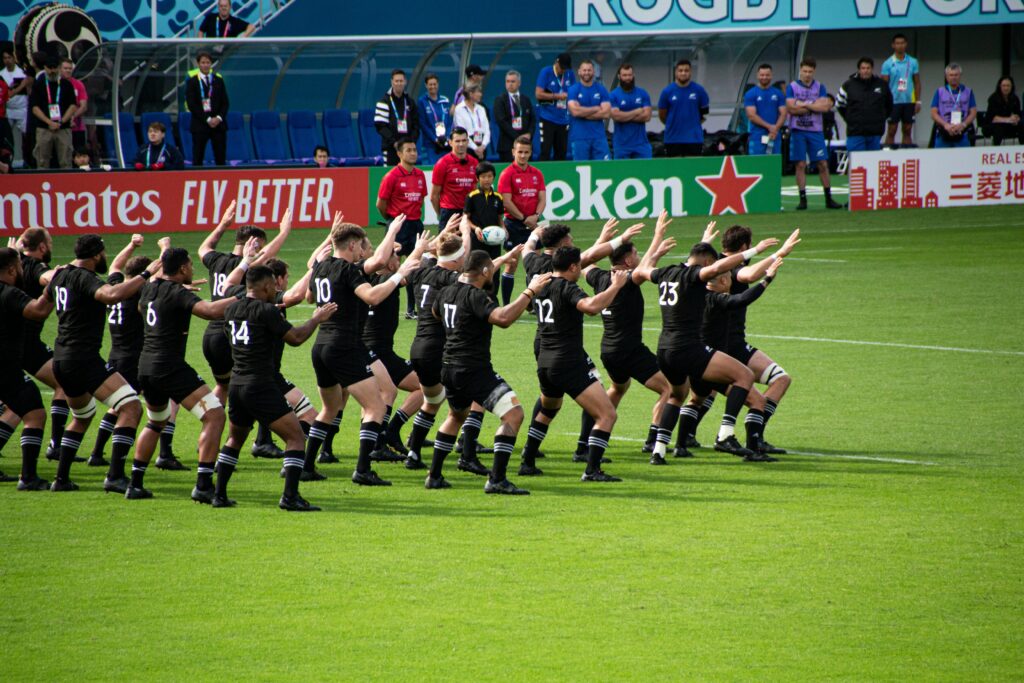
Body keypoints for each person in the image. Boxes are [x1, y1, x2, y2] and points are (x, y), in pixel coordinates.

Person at [632, 219, 778, 462]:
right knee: (744, 376)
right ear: (709, 263)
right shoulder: (695, 276)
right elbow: (716, 268)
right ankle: (725, 434)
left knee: (677, 396)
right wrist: (754, 252)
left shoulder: (666, 272)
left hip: (664, 348)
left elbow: (641, 270)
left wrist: (656, 245)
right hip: (688, 348)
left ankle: (658, 451)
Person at [305, 223, 421, 487]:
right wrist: (398, 274)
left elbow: (310, 297)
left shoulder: (320, 267)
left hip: (321, 345)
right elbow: (371, 297)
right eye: (361, 246)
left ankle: (306, 466)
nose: (362, 253)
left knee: (329, 408)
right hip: (344, 346)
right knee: (376, 406)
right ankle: (363, 469)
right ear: (353, 244)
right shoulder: (348, 270)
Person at [426, 250, 552, 493]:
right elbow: (503, 319)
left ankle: (434, 476)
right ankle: (497, 479)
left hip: (448, 367)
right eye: (491, 269)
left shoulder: (445, 292)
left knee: (456, 416)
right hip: (472, 369)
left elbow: (434, 313)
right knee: (514, 414)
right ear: (484, 271)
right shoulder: (476, 295)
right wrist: (530, 292)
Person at [47, 234, 164, 492]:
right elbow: (110, 294)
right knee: (131, 407)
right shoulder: (86, 279)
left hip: (61, 358)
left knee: (82, 415)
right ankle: (114, 475)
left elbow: (43, 299)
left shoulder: (61, 275)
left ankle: (61, 479)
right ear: (97, 254)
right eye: (104, 252)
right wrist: (145, 275)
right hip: (84, 360)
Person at [126, 244, 241, 501]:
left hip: (145, 365)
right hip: (169, 366)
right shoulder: (177, 292)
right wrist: (245, 297)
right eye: (190, 265)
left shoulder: (149, 288)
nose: (192, 268)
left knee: (156, 421)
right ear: (181, 268)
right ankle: (203, 484)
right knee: (214, 415)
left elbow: (142, 310)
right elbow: (210, 311)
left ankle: (135, 483)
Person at [216, 267, 335, 511]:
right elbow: (296, 338)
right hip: (260, 384)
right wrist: (316, 319)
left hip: (237, 384)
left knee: (235, 439)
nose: (276, 290)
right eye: (273, 286)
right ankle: (290, 497)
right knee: (295, 437)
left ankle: (218, 494)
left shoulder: (230, 309)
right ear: (265, 287)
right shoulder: (267, 311)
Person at [516, 246, 628, 482]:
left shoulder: (540, 283)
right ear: (574, 267)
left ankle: (527, 460)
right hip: (567, 361)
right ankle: (592, 470)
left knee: (548, 410)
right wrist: (615, 286)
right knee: (607, 414)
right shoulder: (567, 287)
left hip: (544, 360)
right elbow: (591, 307)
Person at [197, 201, 289, 459]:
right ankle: (262, 440)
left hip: (211, 335)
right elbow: (267, 255)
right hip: (235, 332)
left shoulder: (217, 260)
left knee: (223, 386)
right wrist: (283, 233)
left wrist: (223, 224)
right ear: (254, 243)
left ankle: (210, 434)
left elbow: (204, 247)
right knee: (259, 378)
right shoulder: (250, 270)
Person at [583, 226, 674, 465]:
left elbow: (588, 261)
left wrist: (603, 237)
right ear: (626, 259)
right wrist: (657, 236)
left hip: (608, 350)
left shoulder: (599, 277)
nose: (637, 256)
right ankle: (653, 439)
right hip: (630, 350)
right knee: (669, 389)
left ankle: (590, 438)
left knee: (619, 388)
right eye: (635, 253)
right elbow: (643, 269)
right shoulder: (627, 279)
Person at [87, 236, 168, 470]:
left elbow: (114, 266)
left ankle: (96, 452)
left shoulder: (115, 288)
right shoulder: (137, 294)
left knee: (118, 406)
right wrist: (164, 249)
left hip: (116, 354)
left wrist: (131, 246)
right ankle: (113, 458)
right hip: (134, 359)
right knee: (131, 408)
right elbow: (159, 277)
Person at [403, 222, 472, 470]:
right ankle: (466, 454)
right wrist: (465, 230)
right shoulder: (452, 278)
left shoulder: (422, 271)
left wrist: (428, 246)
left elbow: (419, 261)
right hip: (439, 349)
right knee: (474, 400)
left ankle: (413, 452)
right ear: (455, 260)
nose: (465, 258)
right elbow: (474, 274)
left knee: (432, 402)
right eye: (462, 255)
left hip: (418, 347)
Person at [0, 247, 55, 490]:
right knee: (34, 412)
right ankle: (28, 477)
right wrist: (54, 288)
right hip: (4, 366)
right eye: (20, 267)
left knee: (16, 407)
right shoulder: (9, 293)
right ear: (12, 269)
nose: (23, 271)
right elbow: (38, 311)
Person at [16, 228, 69, 460]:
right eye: (50, 242)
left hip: (18, 342)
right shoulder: (38, 267)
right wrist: (59, 275)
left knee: (15, 399)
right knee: (64, 383)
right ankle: (56, 445)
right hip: (24, 343)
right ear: (43, 247)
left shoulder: (14, 262)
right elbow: (46, 278)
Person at [376, 137, 427, 318]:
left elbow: (421, 199)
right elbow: (380, 204)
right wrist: (392, 221)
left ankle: (411, 309)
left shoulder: (420, 175)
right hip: (398, 226)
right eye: (409, 150)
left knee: (415, 266)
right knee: (390, 266)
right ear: (399, 154)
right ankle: (384, 303)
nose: (413, 153)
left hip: (416, 224)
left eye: (414, 149)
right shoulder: (391, 176)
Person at [786, 57, 842, 210]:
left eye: (810, 71)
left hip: (815, 131)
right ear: (800, 71)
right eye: (805, 71)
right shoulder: (792, 87)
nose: (807, 74)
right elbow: (791, 108)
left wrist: (802, 104)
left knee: (823, 163)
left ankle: (828, 198)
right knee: (800, 164)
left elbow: (824, 107)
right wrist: (813, 105)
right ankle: (802, 199)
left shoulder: (820, 87)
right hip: (798, 130)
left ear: (814, 71)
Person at [497, 135, 545, 305]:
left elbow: (542, 199)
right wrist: (525, 218)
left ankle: (531, 304)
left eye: (526, 152)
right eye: (520, 152)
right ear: (513, 152)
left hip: (533, 224)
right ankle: (506, 303)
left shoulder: (537, 174)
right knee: (511, 264)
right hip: (513, 224)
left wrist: (536, 216)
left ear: (531, 153)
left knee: (535, 265)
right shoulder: (507, 174)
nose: (523, 155)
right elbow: (506, 202)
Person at [29, 54, 76, 169]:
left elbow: (73, 106)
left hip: (63, 127)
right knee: (42, 161)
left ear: (59, 68)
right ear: (44, 68)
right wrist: (49, 122)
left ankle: (67, 185)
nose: (52, 71)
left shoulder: (66, 84)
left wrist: (61, 122)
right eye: (49, 68)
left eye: (54, 67)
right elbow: (35, 108)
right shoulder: (39, 84)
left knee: (66, 160)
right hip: (44, 127)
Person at [837, 57, 893, 152]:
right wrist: (851, 119)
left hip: (875, 133)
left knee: (873, 164)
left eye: (868, 68)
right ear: (859, 69)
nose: (866, 71)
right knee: (856, 165)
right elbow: (840, 104)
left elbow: (889, 105)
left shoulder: (882, 84)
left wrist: (880, 119)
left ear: (872, 69)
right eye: (863, 68)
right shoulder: (848, 85)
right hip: (855, 133)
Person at [185, 52, 229, 166]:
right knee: (198, 156)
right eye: (203, 62)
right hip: (200, 124)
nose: (205, 65)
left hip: (218, 125)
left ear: (211, 64)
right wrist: (208, 119)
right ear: (198, 64)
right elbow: (192, 105)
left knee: (220, 157)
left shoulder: (218, 80)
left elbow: (225, 102)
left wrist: (218, 118)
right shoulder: (192, 82)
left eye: (208, 62)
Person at [658, 59, 709, 157]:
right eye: (680, 70)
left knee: (693, 169)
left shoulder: (699, 90)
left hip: (694, 139)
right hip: (672, 139)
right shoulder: (667, 91)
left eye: (686, 70)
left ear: (690, 72)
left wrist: (692, 124)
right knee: (674, 170)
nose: (683, 73)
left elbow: (705, 114)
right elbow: (662, 115)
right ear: (676, 72)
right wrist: (673, 123)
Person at [431, 127, 478, 230]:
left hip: (468, 212)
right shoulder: (442, 163)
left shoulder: (474, 163)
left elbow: (475, 189)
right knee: (446, 246)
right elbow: (434, 196)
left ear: (468, 142)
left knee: (468, 245)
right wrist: (442, 214)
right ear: (450, 142)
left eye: (464, 140)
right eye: (457, 141)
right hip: (449, 212)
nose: (461, 144)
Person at [881, 33, 921, 148]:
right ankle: (888, 153)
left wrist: (918, 101)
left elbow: (917, 82)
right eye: (897, 43)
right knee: (892, 129)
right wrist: (885, 103)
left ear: (906, 44)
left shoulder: (913, 62)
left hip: (909, 101)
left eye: (902, 43)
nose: (900, 46)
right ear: (893, 45)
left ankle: (906, 153)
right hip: (893, 102)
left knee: (907, 129)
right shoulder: (887, 63)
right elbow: (884, 85)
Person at [567, 59, 611, 161]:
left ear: (593, 72)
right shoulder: (573, 89)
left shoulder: (601, 89)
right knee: (581, 169)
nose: (586, 72)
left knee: (604, 170)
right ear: (579, 72)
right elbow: (575, 112)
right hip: (579, 138)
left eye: (589, 70)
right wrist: (596, 108)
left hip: (599, 137)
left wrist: (583, 112)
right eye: (584, 70)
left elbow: (606, 113)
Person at [535, 53, 575, 161]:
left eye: (565, 68)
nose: (563, 70)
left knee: (561, 152)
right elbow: (538, 94)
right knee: (545, 151)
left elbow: (573, 92)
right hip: (548, 117)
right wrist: (557, 96)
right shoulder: (546, 72)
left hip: (563, 119)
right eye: (562, 67)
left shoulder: (569, 74)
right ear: (556, 63)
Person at [374, 69, 419, 166]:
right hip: (390, 148)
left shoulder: (410, 101)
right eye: (396, 81)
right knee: (390, 177)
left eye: (401, 81)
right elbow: (380, 126)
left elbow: (416, 125)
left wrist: (411, 142)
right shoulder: (384, 101)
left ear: (405, 82)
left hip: (408, 149)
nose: (399, 83)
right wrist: (394, 143)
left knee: (407, 177)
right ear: (392, 82)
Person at [463, 162, 505, 264]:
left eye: (489, 176)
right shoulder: (472, 196)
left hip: (494, 239)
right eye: (483, 176)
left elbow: (500, 218)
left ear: (493, 177)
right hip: (477, 239)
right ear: (477, 178)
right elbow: (465, 219)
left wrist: (503, 228)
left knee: (494, 267)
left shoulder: (498, 197)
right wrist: (475, 228)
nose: (486, 179)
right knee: (477, 269)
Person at [609, 63, 652, 159]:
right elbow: (616, 116)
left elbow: (647, 116)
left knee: (645, 172)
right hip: (621, 145)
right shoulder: (613, 95)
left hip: (641, 144)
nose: (628, 78)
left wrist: (624, 115)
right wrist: (636, 112)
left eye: (629, 75)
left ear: (633, 75)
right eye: (624, 75)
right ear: (619, 77)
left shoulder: (643, 93)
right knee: (622, 173)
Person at [930, 63, 977, 149]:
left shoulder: (968, 91)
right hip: (943, 131)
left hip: (962, 132)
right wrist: (945, 125)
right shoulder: (940, 92)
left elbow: (973, 112)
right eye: (951, 75)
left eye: (956, 75)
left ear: (960, 76)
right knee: (939, 160)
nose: (953, 77)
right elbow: (933, 113)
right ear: (946, 77)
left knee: (964, 160)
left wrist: (963, 125)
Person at [743, 63, 786, 155]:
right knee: (757, 165)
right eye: (762, 75)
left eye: (767, 75)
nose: (764, 77)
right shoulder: (751, 94)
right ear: (757, 75)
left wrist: (775, 129)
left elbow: (783, 113)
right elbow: (751, 116)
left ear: (771, 76)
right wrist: (769, 127)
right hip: (758, 137)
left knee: (773, 165)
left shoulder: (778, 93)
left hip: (774, 136)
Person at [493, 70, 534, 162]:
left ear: (519, 83)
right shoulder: (500, 100)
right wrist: (518, 137)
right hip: (507, 145)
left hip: (525, 145)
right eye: (507, 81)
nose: (510, 84)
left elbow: (532, 119)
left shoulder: (526, 99)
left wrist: (529, 134)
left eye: (513, 81)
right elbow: (501, 121)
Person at [2, 46, 31, 166]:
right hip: (8, 109)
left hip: (22, 108)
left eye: (9, 57)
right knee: (8, 137)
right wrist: (20, 86)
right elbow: (6, 95)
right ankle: (9, 160)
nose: (7, 60)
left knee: (26, 136)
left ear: (14, 58)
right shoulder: (1, 74)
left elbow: (29, 90)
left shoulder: (23, 73)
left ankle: (27, 160)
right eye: (5, 58)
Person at [417, 73, 451, 164]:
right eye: (430, 84)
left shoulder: (445, 100)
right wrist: (435, 139)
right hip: (430, 144)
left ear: (438, 84)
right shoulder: (422, 101)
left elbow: (448, 122)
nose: (433, 86)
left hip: (445, 143)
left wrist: (446, 138)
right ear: (426, 85)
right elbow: (423, 124)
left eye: (434, 84)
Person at [452, 84, 490, 161]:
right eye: (478, 92)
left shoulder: (481, 109)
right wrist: (475, 148)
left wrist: (483, 146)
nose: (480, 94)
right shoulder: (459, 109)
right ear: (470, 94)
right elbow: (462, 132)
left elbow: (487, 130)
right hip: (468, 146)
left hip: (482, 146)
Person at [59, 59, 87, 152]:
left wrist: (72, 117)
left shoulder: (78, 84)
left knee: (79, 153)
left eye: (70, 68)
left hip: (77, 127)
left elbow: (83, 106)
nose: (68, 70)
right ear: (60, 69)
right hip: (60, 127)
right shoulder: (55, 84)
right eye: (65, 68)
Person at [984, 76, 1022, 146]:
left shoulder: (1015, 98)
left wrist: (1016, 118)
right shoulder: (993, 98)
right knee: (999, 128)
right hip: (993, 125)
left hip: (1009, 125)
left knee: (1022, 125)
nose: (1006, 88)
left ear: (1011, 87)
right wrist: (1009, 120)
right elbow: (994, 118)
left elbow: (1018, 114)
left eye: (1008, 86)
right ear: (1000, 86)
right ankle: (996, 149)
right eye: (1004, 86)